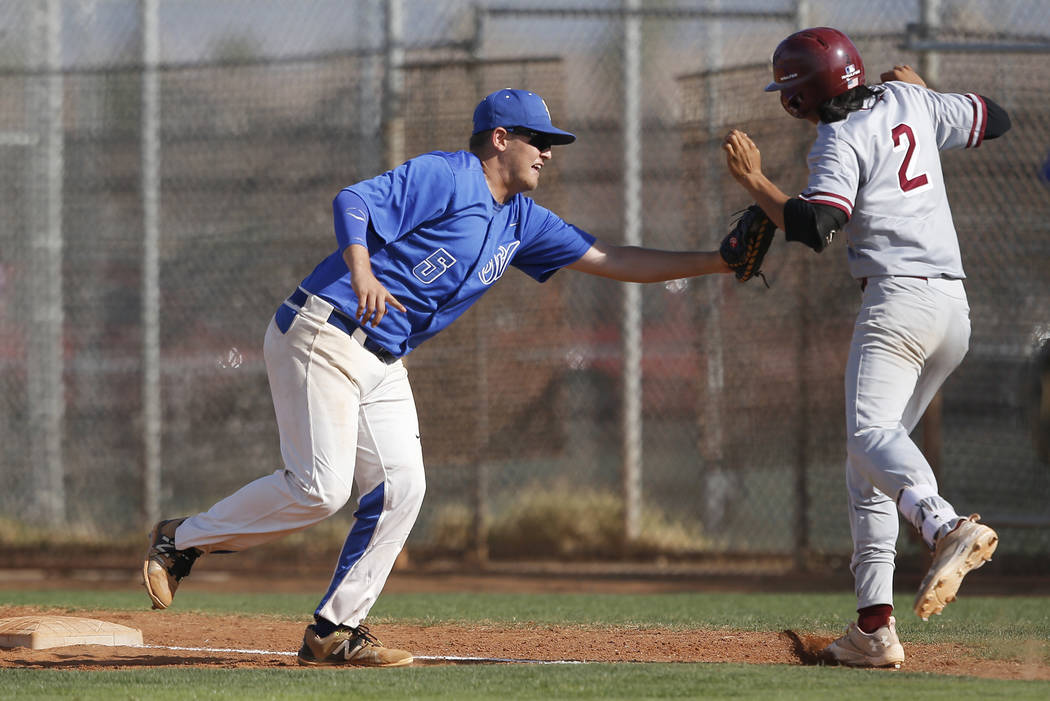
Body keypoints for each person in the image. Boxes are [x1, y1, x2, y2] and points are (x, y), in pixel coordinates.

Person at [142, 88, 734, 667]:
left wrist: (719, 261)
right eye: (539, 140)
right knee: (321, 489)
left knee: (403, 487)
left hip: (382, 356)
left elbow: (612, 258)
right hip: (325, 330)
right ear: (500, 139)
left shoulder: (522, 220)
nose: (548, 152)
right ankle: (181, 539)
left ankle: (333, 630)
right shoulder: (450, 176)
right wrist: (362, 269)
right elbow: (352, 202)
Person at [722, 28, 1011, 668]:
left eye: (787, 90)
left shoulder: (839, 138)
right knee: (868, 466)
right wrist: (928, 95)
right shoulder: (912, 102)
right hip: (953, 312)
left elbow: (816, 226)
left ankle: (945, 525)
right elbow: (999, 118)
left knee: (866, 436)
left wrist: (756, 182)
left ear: (801, 97)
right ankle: (874, 632)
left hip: (898, 304)